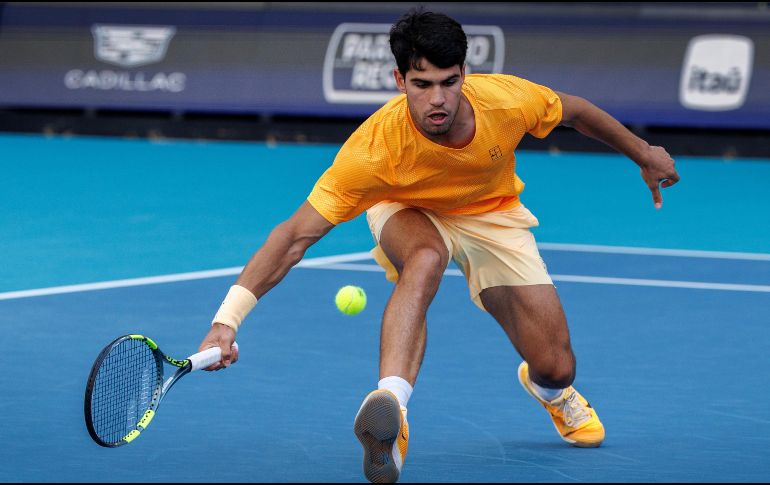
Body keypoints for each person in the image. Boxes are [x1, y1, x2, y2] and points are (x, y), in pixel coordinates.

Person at [197, 8, 680, 484]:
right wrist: (226, 322)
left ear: (465, 73)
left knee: (557, 367)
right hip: (406, 210)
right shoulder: (375, 150)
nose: (438, 99)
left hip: (491, 214)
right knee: (426, 257)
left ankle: (551, 392)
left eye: (449, 82)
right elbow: (293, 236)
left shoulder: (506, 102)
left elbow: (574, 111)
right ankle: (392, 407)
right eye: (421, 84)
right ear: (399, 80)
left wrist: (643, 153)